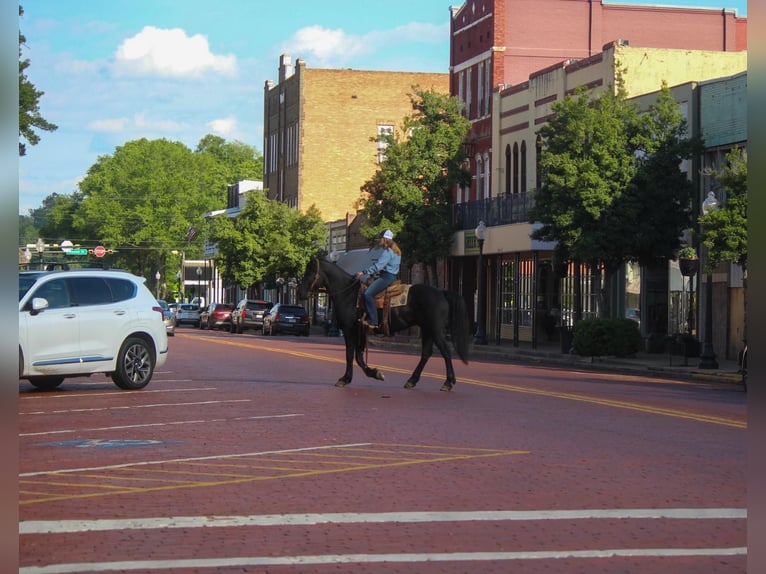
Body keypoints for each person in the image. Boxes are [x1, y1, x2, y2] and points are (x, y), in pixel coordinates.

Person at [356, 229, 401, 329]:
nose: (379, 240)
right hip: (392, 276)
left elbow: (379, 266)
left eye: (380, 238)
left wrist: (363, 272)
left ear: (385, 239)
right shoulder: (396, 250)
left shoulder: (388, 251)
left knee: (368, 294)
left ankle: (374, 320)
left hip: (386, 277)